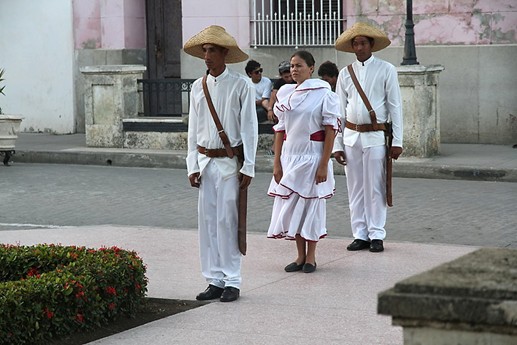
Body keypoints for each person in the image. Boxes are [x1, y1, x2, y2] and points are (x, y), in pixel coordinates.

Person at [184, 25, 258, 302]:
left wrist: (248, 165)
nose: (207, 56)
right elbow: (193, 129)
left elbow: (249, 127)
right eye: (204, 50)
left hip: (229, 163)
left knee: (228, 221)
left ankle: (232, 280)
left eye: (212, 50)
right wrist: (191, 165)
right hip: (205, 163)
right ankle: (214, 279)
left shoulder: (240, 85)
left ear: (224, 53)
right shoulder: (197, 87)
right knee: (208, 223)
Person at [267, 51, 340, 273]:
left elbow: (330, 130)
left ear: (311, 68)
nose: (294, 69)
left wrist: (324, 163)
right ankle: (299, 256)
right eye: (292, 65)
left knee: (311, 205)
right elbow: (280, 130)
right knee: (293, 205)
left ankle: (311, 257)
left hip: (312, 156)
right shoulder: (286, 93)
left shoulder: (323, 93)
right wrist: (277, 163)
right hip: (290, 156)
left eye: (299, 65)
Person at [333, 22, 403, 253]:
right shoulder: (345, 73)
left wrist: (397, 141)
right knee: (355, 188)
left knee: (375, 187)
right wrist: (337, 144)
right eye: (356, 43)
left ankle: (376, 234)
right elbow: (338, 112)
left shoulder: (386, 69)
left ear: (371, 45)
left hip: (375, 137)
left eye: (363, 43)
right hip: (351, 136)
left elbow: (395, 107)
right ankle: (359, 233)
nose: (359, 47)